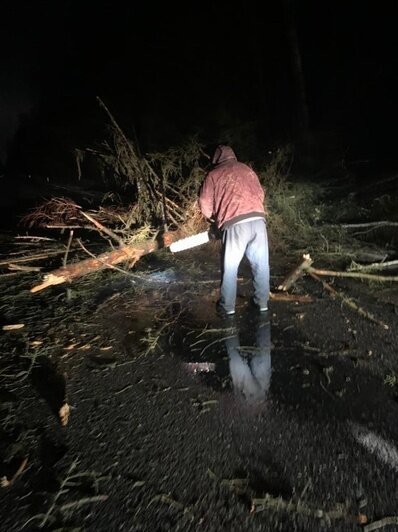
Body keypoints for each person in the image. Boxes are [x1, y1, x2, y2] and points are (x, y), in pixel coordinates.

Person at [198, 145, 269, 315]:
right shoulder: (247, 169)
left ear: (216, 160)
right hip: (259, 221)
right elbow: (260, 193)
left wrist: (215, 219)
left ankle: (227, 307)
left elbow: (204, 203)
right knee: (261, 265)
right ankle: (262, 303)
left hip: (235, 224)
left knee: (229, 267)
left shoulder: (213, 175)